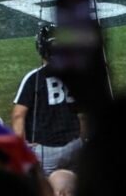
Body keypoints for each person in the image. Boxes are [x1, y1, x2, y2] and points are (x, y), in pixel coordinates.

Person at [11, 25, 84, 174]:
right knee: (74, 183)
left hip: (47, 150)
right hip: (75, 144)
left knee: (46, 186)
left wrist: (21, 148)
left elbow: (18, 115)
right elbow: (84, 114)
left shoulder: (33, 78)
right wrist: (82, 139)